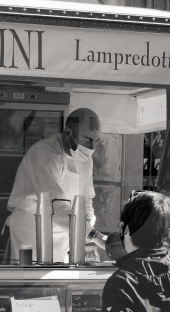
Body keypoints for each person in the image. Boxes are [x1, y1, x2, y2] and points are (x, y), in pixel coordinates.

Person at [6, 108, 101, 263]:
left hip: (66, 233)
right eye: (87, 140)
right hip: (32, 231)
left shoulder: (86, 161)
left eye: (96, 140)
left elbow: (86, 199)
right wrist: (93, 235)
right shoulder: (44, 153)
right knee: (30, 280)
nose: (92, 147)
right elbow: (54, 204)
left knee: (58, 280)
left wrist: (87, 226)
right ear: (68, 133)